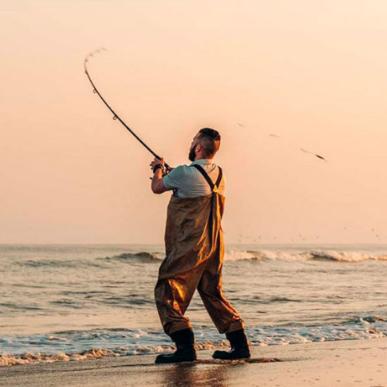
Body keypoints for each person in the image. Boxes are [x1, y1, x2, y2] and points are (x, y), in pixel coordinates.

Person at [150, 128, 250, 363]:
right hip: (215, 243)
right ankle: (240, 346)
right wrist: (171, 173)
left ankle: (185, 348)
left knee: (167, 288)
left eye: (193, 139)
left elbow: (157, 188)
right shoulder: (219, 174)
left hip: (191, 244)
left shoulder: (185, 173)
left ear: (198, 147)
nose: (191, 142)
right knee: (212, 291)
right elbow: (194, 184)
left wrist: (157, 168)